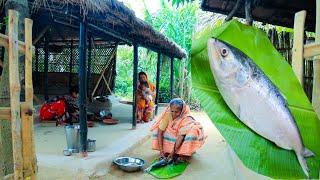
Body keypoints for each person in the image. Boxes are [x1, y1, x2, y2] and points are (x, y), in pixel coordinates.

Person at [150, 98, 206, 163]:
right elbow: (160, 132)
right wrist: (161, 151)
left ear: (182, 111)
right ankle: (167, 150)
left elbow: (181, 136)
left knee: (193, 131)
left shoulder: (186, 118)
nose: (174, 114)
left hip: (181, 137)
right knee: (156, 130)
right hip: (174, 135)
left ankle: (183, 154)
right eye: (172, 111)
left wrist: (172, 154)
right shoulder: (168, 114)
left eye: (176, 112)